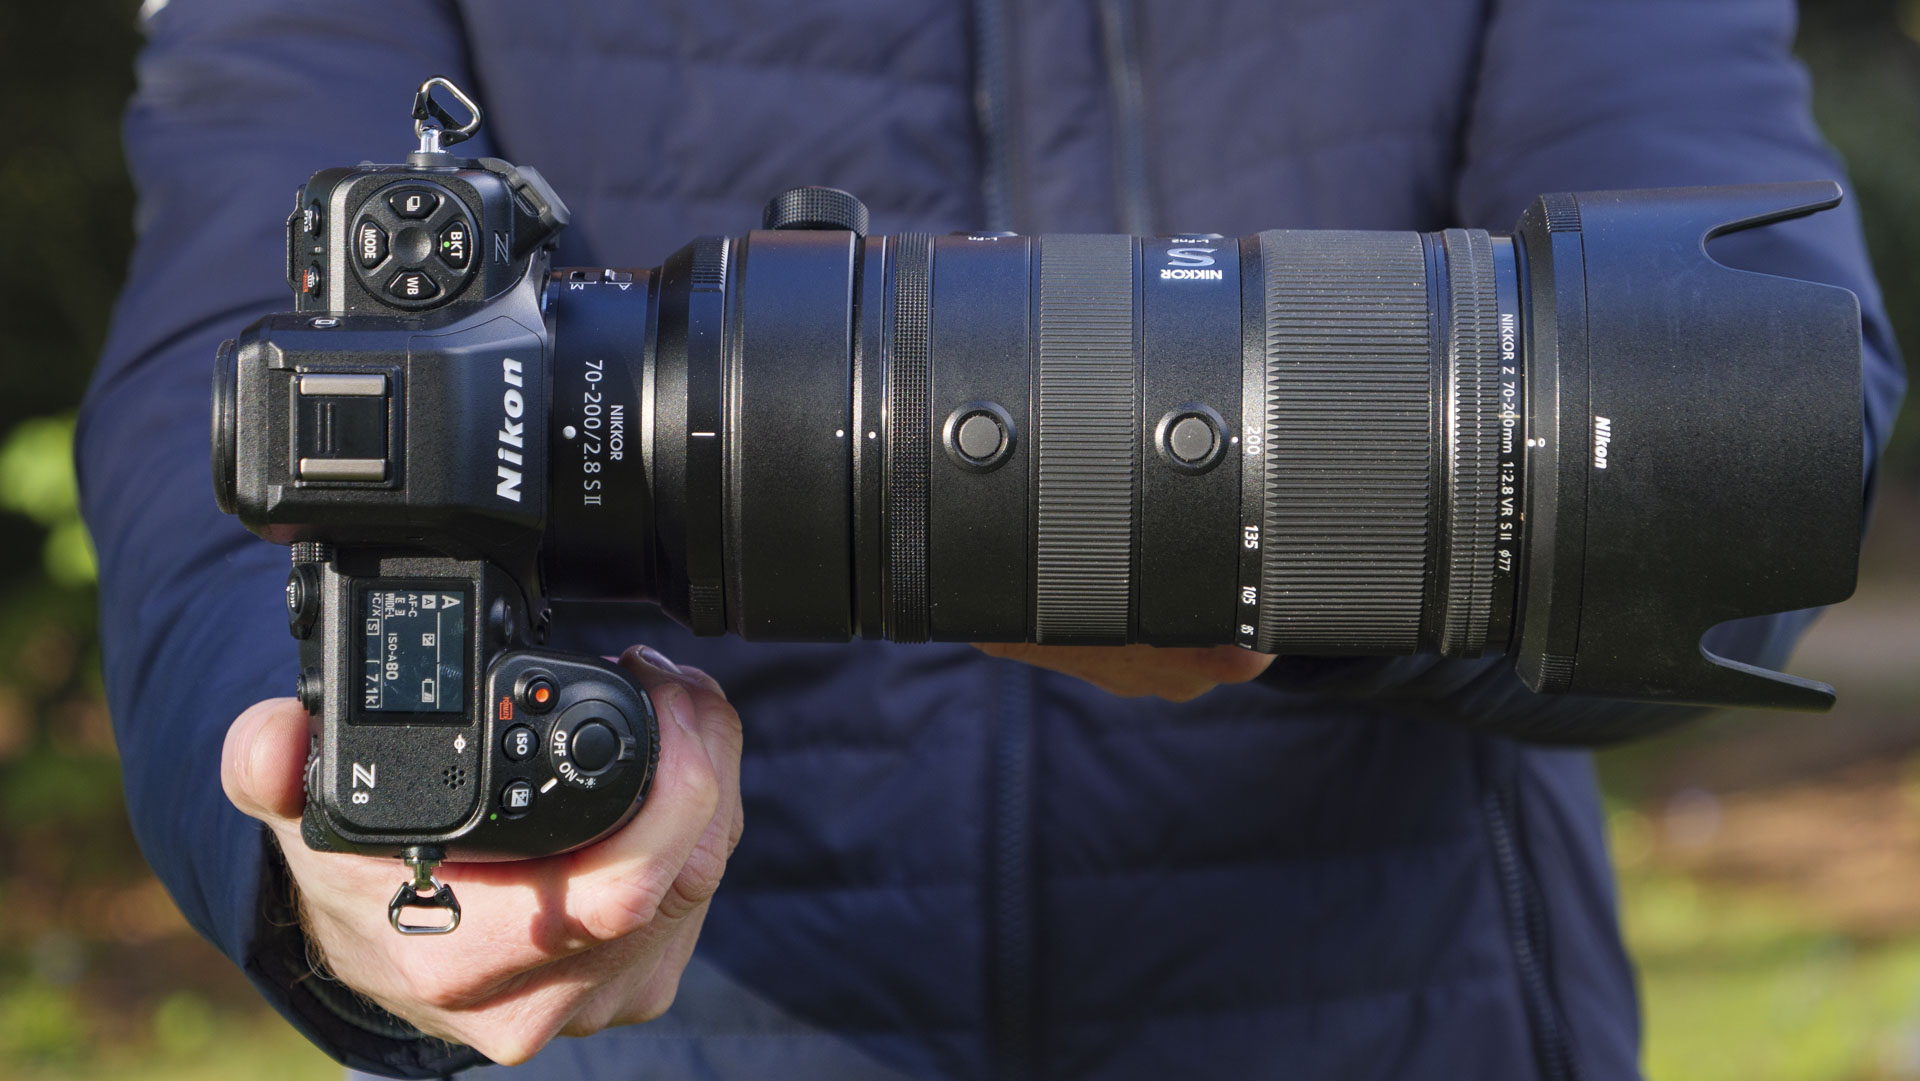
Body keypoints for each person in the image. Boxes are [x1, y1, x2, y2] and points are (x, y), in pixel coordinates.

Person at [80, 1, 1904, 1079]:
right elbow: (230, 383)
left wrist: (1286, 562)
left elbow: (1749, 412)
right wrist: (345, 817)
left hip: (1393, 1002)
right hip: (676, 1017)